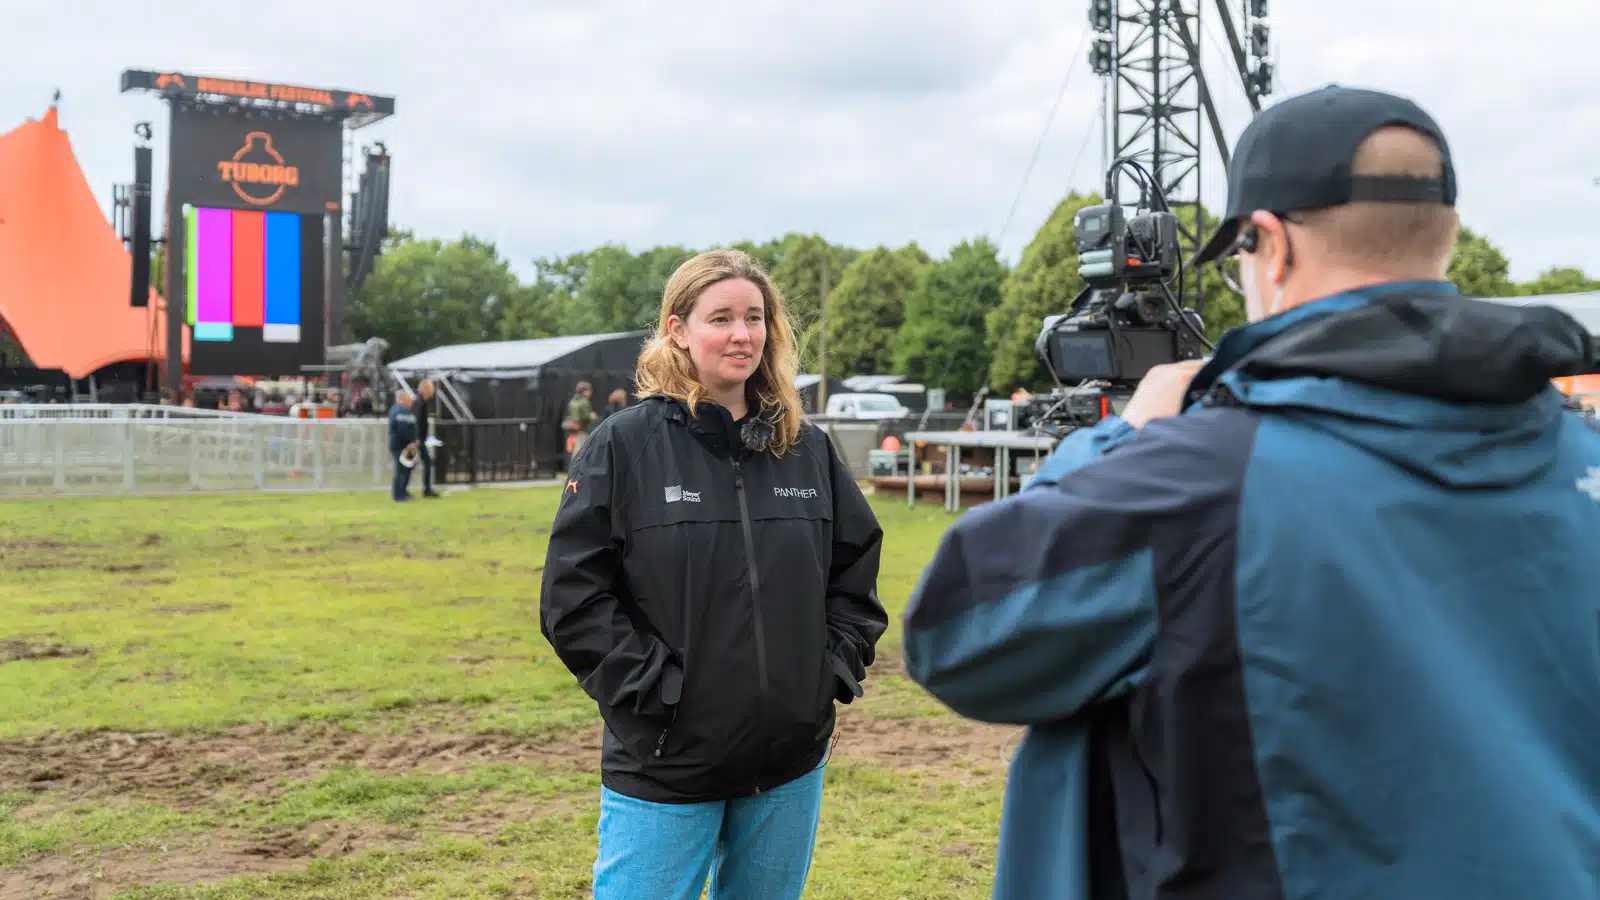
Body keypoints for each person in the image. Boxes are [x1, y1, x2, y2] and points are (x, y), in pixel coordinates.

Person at [902, 85, 1599, 900]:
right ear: (1441, 234)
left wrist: (1123, 441)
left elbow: (959, 634)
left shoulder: (1203, 481)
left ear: (1270, 246)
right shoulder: (1578, 456)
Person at [540, 249, 888, 900]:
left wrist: (824, 676)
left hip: (787, 762)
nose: (741, 334)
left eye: (754, 318)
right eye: (721, 317)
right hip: (668, 761)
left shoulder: (805, 449)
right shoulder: (624, 446)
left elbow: (854, 574)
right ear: (678, 330)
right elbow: (573, 598)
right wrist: (660, 695)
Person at [387, 390, 420, 502]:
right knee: (401, 470)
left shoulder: (397, 410)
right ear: (403, 399)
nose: (411, 401)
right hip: (403, 445)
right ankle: (399, 495)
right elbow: (403, 429)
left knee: (407, 469)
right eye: (409, 399)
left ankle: (403, 492)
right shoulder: (402, 411)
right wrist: (411, 442)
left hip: (404, 445)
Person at [416, 379, 440, 498]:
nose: (433, 391)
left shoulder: (421, 402)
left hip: (419, 439)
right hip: (417, 440)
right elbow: (415, 421)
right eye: (431, 389)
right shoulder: (419, 402)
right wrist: (416, 438)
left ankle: (426, 489)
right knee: (425, 462)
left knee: (409, 464)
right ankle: (426, 489)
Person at [565, 380, 598, 464]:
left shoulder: (572, 401)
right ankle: (576, 470)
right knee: (581, 451)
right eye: (589, 390)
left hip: (573, 430)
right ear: (584, 391)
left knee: (575, 450)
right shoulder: (584, 402)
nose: (590, 393)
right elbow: (585, 416)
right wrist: (592, 416)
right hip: (582, 429)